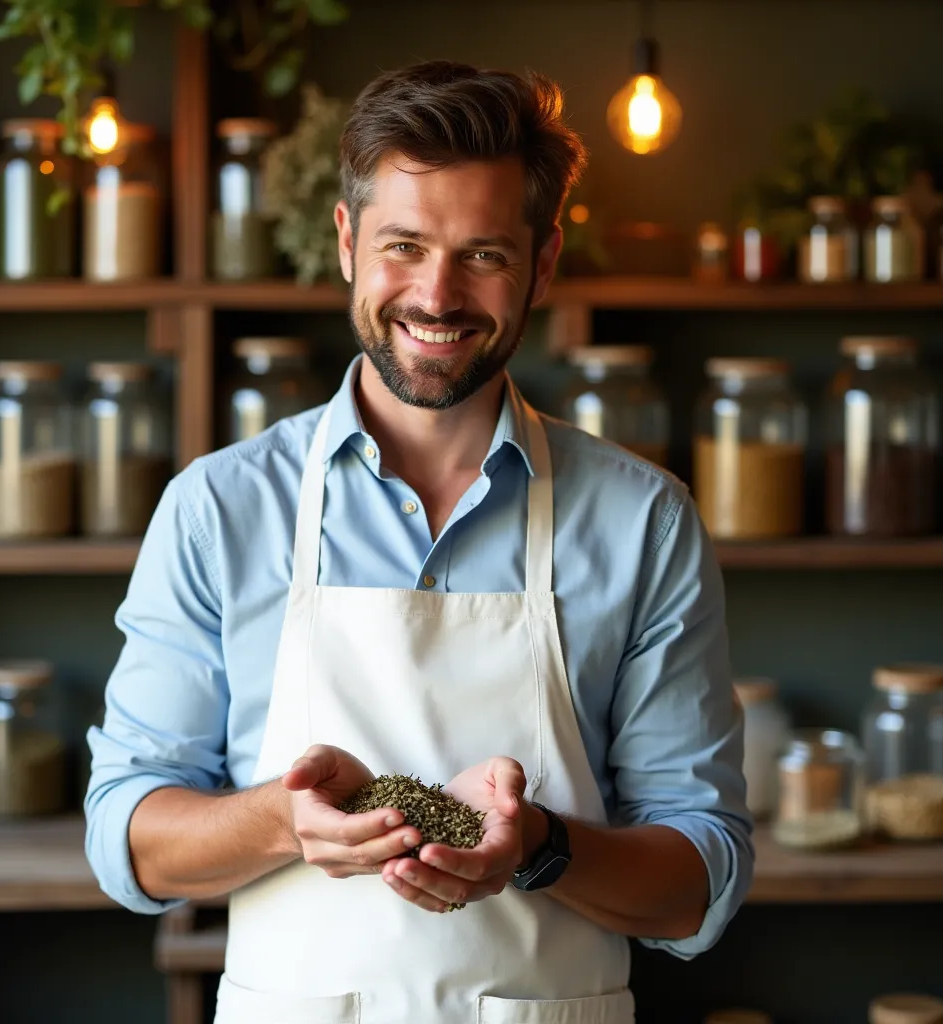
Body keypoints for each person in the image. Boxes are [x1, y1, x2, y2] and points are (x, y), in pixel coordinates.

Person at [85, 60, 753, 1024]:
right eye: (404, 245)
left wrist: (539, 847)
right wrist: (284, 818)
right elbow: (128, 836)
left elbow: (701, 876)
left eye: (483, 254)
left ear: (545, 262)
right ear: (349, 242)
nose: (437, 296)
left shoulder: (643, 521)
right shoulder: (219, 509)